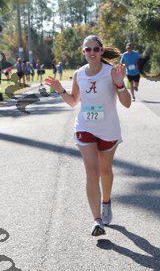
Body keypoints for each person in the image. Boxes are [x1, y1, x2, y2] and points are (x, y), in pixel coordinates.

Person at [45, 35, 132, 237]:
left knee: (105, 170)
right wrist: (60, 90)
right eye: (88, 49)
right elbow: (73, 101)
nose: (92, 52)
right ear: (83, 52)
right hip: (85, 127)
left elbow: (127, 103)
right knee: (92, 173)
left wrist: (120, 84)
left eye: (95, 49)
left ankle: (106, 202)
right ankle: (97, 220)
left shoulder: (112, 72)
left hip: (108, 129)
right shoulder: (79, 74)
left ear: (101, 51)